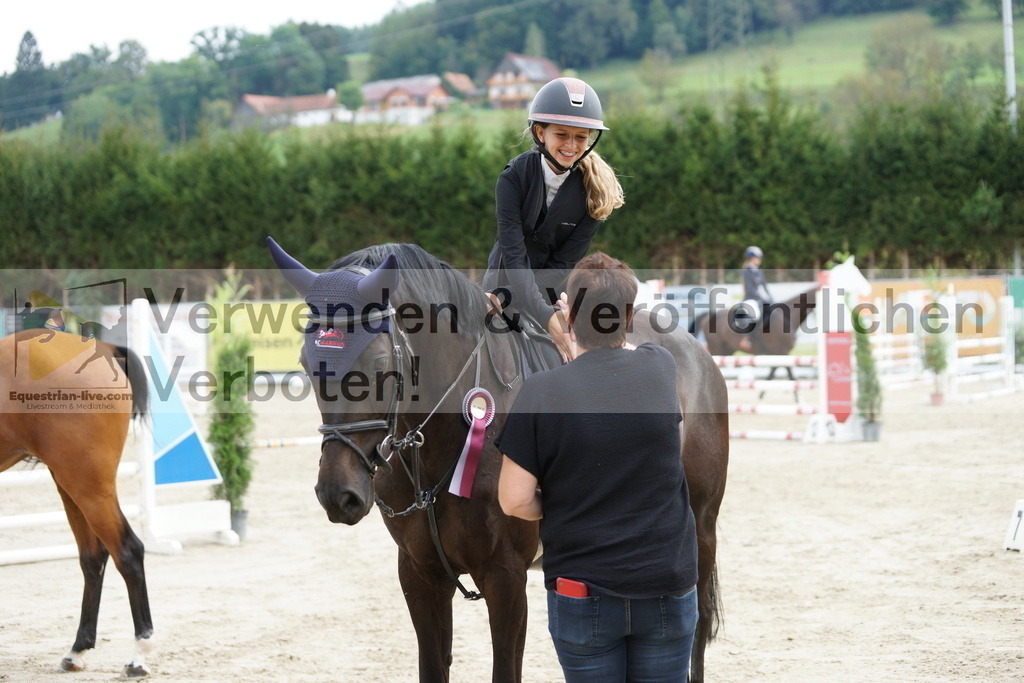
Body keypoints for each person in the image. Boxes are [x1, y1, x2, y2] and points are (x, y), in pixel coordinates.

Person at [497, 252, 699, 682]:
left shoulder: (541, 392)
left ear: (568, 314)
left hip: (582, 591)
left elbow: (513, 501)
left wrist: (569, 502)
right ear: (628, 316)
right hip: (666, 583)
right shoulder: (661, 367)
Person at [482, 77, 624, 363]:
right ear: (540, 132)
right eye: (562, 134)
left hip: (551, 291)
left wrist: (545, 312)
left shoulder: (593, 193)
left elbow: (563, 264)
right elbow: (514, 253)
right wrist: (509, 298)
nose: (571, 145)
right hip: (498, 290)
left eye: (581, 137)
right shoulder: (513, 178)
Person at [738, 245, 773, 353]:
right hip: (750, 298)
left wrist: (770, 297)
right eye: (757, 258)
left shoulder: (758, 270)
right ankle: (746, 338)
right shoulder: (747, 271)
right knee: (756, 313)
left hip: (759, 298)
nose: (759, 260)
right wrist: (760, 298)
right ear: (751, 258)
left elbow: (764, 285)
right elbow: (750, 289)